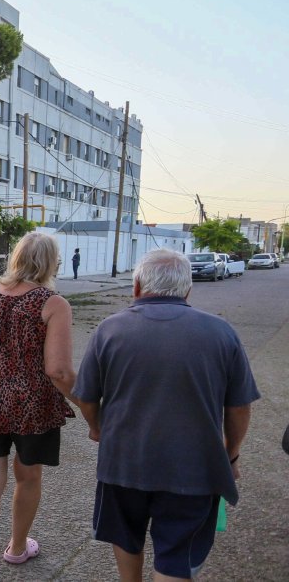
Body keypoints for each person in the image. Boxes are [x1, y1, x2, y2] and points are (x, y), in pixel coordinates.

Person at [74, 249, 260, 582]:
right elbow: (239, 407)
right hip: (194, 470)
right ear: (187, 290)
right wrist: (230, 455)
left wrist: (98, 427)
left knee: (125, 535)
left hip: (123, 464)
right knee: (177, 555)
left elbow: (86, 396)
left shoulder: (109, 330)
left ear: (136, 286)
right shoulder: (222, 332)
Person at [0, 232, 79, 582]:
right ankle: (16, 548)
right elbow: (58, 370)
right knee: (28, 476)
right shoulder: (52, 303)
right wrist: (89, 407)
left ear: (16, 258)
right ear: (50, 263)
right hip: (33, 406)